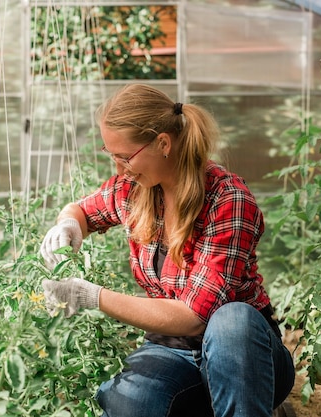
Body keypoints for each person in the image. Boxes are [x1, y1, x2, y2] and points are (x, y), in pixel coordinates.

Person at [39, 83, 295, 417]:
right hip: (174, 351)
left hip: (247, 359)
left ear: (163, 143)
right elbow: (83, 211)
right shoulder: (134, 190)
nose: (118, 168)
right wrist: (68, 225)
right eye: (110, 154)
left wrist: (92, 296)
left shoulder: (227, 200)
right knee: (126, 401)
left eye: (124, 156)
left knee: (232, 321)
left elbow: (193, 316)